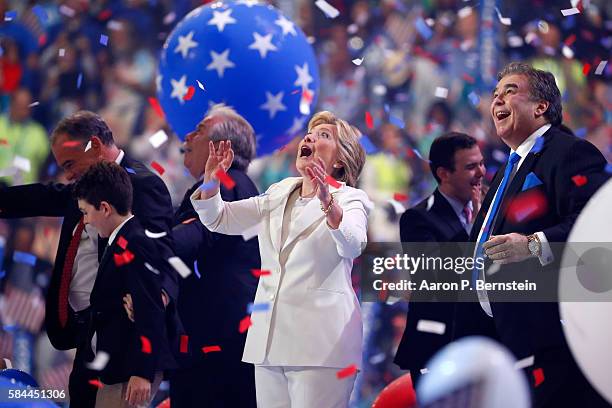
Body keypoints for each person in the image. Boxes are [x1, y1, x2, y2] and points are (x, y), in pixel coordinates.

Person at [191, 111, 372, 407]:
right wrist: (211, 183)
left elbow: (353, 244)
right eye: (311, 134)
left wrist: (328, 204)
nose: (311, 137)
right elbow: (219, 219)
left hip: (321, 347)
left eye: (324, 135)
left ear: (340, 161)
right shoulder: (279, 192)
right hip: (269, 342)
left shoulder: (350, 199)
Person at [0, 110, 179, 407]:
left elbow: (162, 258)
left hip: (127, 341)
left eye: (70, 164)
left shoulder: (144, 186)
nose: (68, 174)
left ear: (94, 145)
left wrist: (160, 296)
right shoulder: (84, 188)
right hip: (89, 336)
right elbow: (42, 195)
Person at [471, 62, 609, 407]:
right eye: (495, 94)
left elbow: (596, 226)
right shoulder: (507, 168)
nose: (497, 100)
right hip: (507, 337)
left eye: (510, 91)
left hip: (553, 338)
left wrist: (534, 245)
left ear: (541, 107)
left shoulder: (569, 151)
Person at [170, 104, 260, 407]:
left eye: (200, 129)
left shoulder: (229, 183)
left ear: (223, 148)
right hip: (222, 343)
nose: (188, 135)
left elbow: (194, 237)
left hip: (218, 349)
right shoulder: (231, 184)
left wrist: (146, 244)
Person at [394, 132, 496, 388]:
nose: (481, 172)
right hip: (436, 349)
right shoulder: (417, 219)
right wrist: (477, 228)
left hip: (484, 347)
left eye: (481, 163)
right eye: (471, 167)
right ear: (444, 173)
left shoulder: (493, 211)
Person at [73, 161, 177, 408]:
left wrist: (142, 372)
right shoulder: (120, 239)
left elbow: (151, 310)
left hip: (129, 373)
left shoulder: (135, 242)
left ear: (105, 208)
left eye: (86, 212)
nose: (86, 222)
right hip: (116, 369)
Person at [0, 88, 49, 185]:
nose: (25, 110)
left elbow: (45, 165)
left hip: (26, 190)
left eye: (27, 105)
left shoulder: (38, 133)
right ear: (12, 104)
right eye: (20, 105)